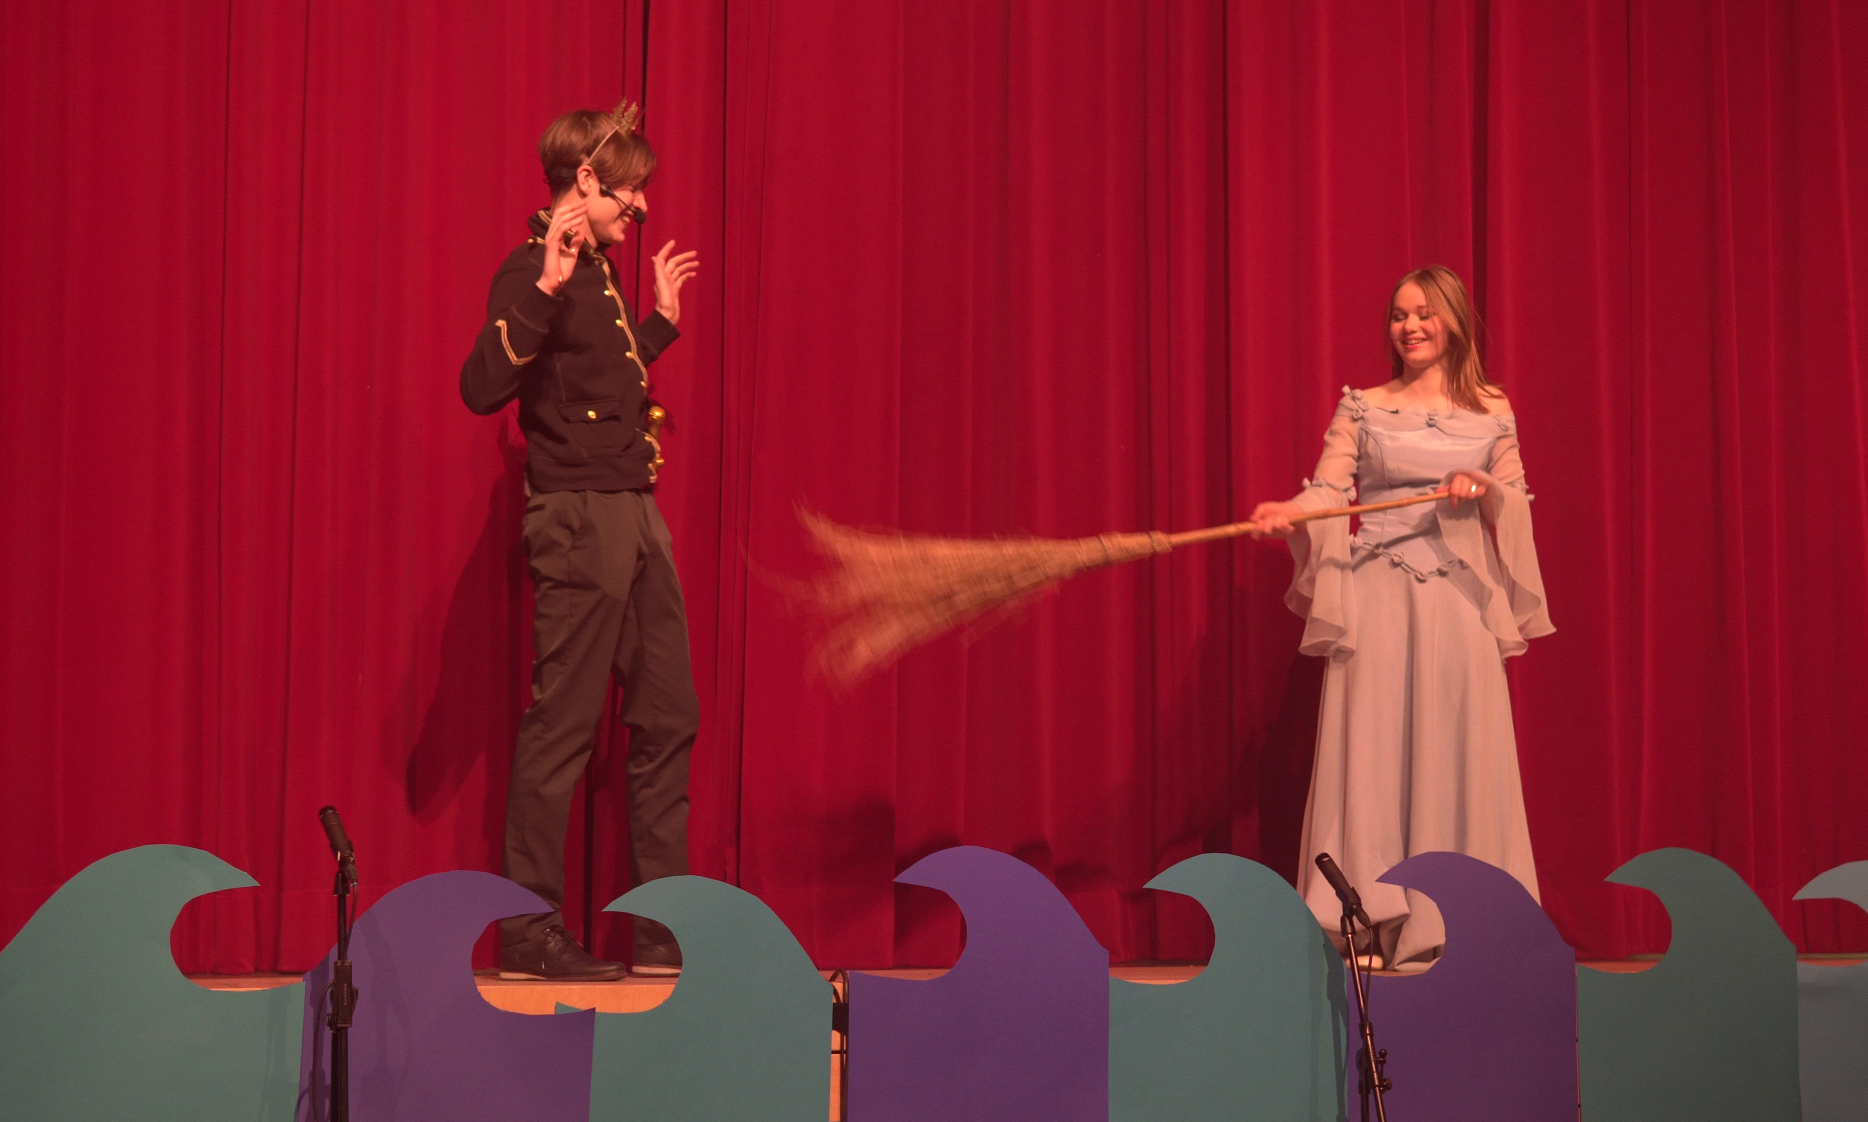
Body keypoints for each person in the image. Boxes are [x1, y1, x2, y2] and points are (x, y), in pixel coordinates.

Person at [1249, 265, 1553, 970]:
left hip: (1459, 604)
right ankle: (1367, 920)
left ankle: (1460, 920)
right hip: (1380, 596)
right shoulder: (1364, 407)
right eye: (1398, 315)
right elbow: (1330, 491)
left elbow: (1515, 504)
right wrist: (1293, 511)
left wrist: (1483, 486)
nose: (1409, 327)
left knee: (1457, 751)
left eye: (1423, 313)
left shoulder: (1492, 410)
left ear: (1454, 321)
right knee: (1373, 752)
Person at [460, 102, 701, 980]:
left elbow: (593, 385)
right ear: (587, 180)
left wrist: (659, 324)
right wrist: (545, 288)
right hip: (577, 520)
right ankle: (530, 933)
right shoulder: (535, 270)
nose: (641, 206)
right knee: (563, 725)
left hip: (633, 510)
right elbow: (482, 385)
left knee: (669, 715)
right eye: (630, 189)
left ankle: (664, 930)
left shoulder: (600, 275)